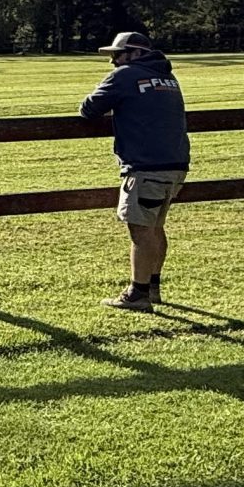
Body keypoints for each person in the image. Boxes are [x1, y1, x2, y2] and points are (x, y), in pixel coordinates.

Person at [78, 30, 189, 310]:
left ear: (136, 53)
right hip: (175, 163)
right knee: (156, 227)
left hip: (145, 165)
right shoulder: (169, 78)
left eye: (119, 54)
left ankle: (137, 294)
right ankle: (152, 287)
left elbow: (88, 109)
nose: (114, 61)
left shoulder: (126, 75)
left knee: (141, 230)